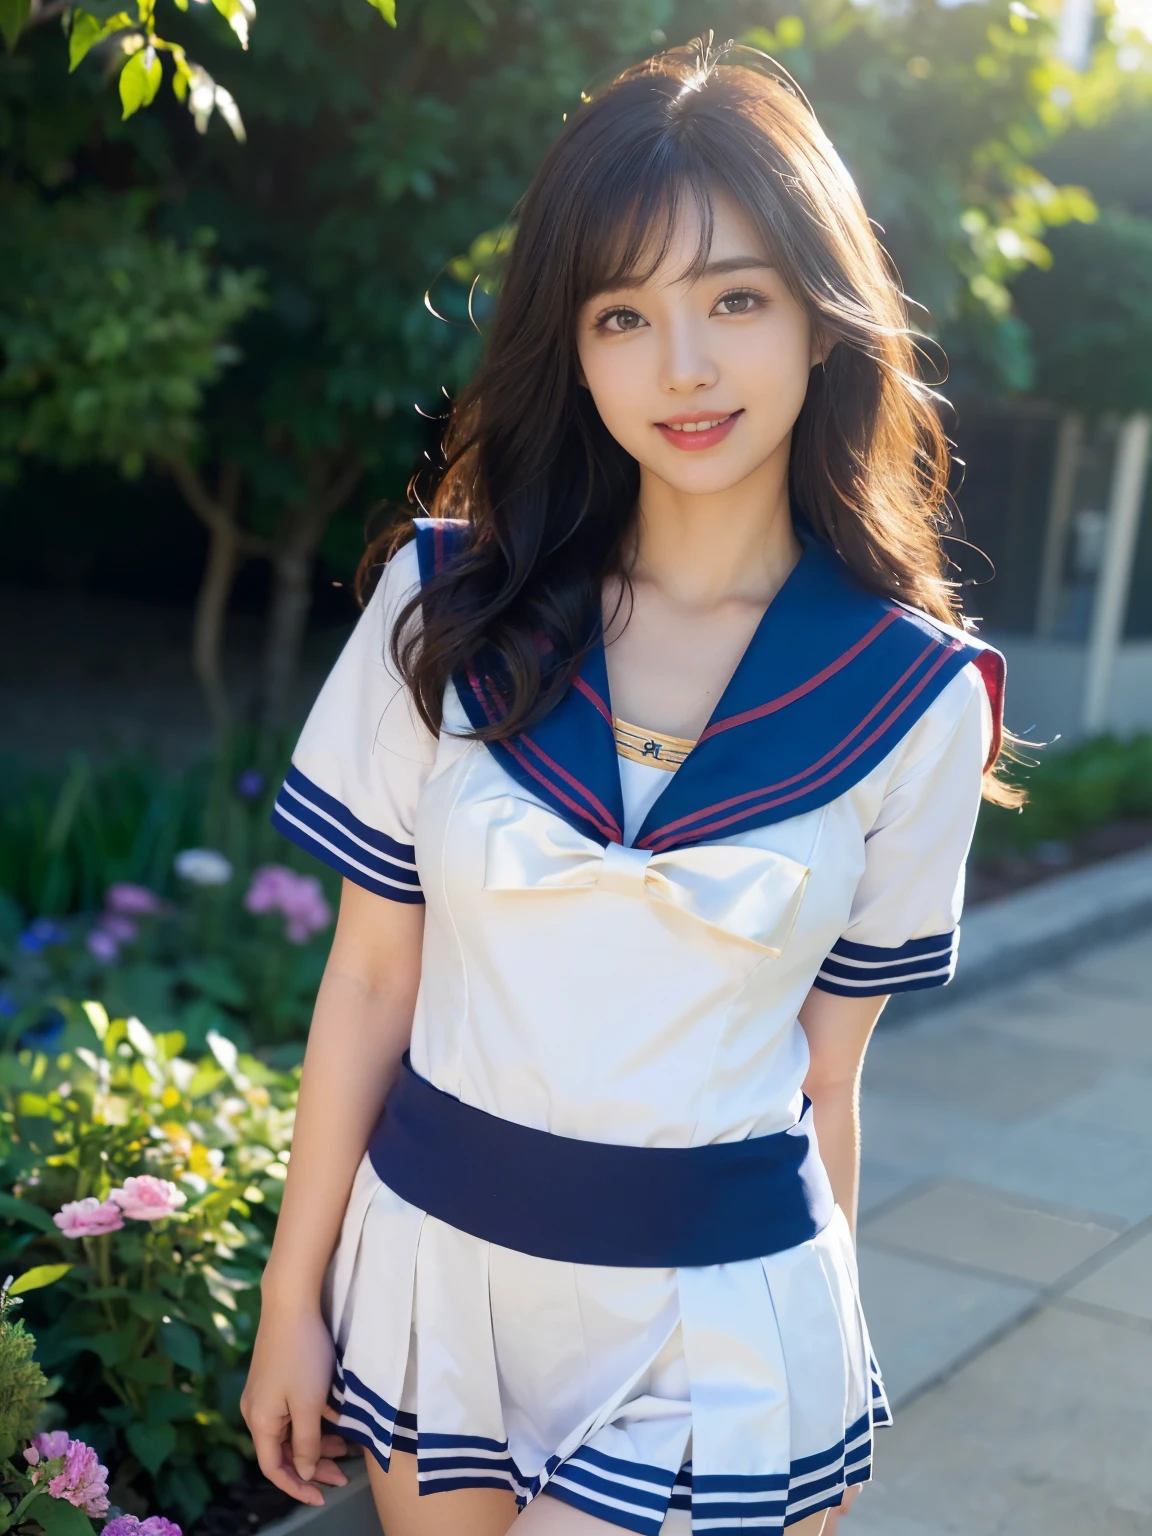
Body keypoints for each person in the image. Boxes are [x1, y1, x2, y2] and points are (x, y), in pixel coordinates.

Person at [241, 38, 1011, 1536]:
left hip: (715, 1319)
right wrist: (292, 1294)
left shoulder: (913, 699)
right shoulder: (448, 600)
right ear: (571, 346)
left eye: (735, 297)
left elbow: (828, 1076)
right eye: (622, 313)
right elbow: (371, 981)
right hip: (435, 1277)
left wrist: (814, 1392)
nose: (685, 367)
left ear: (818, 314)